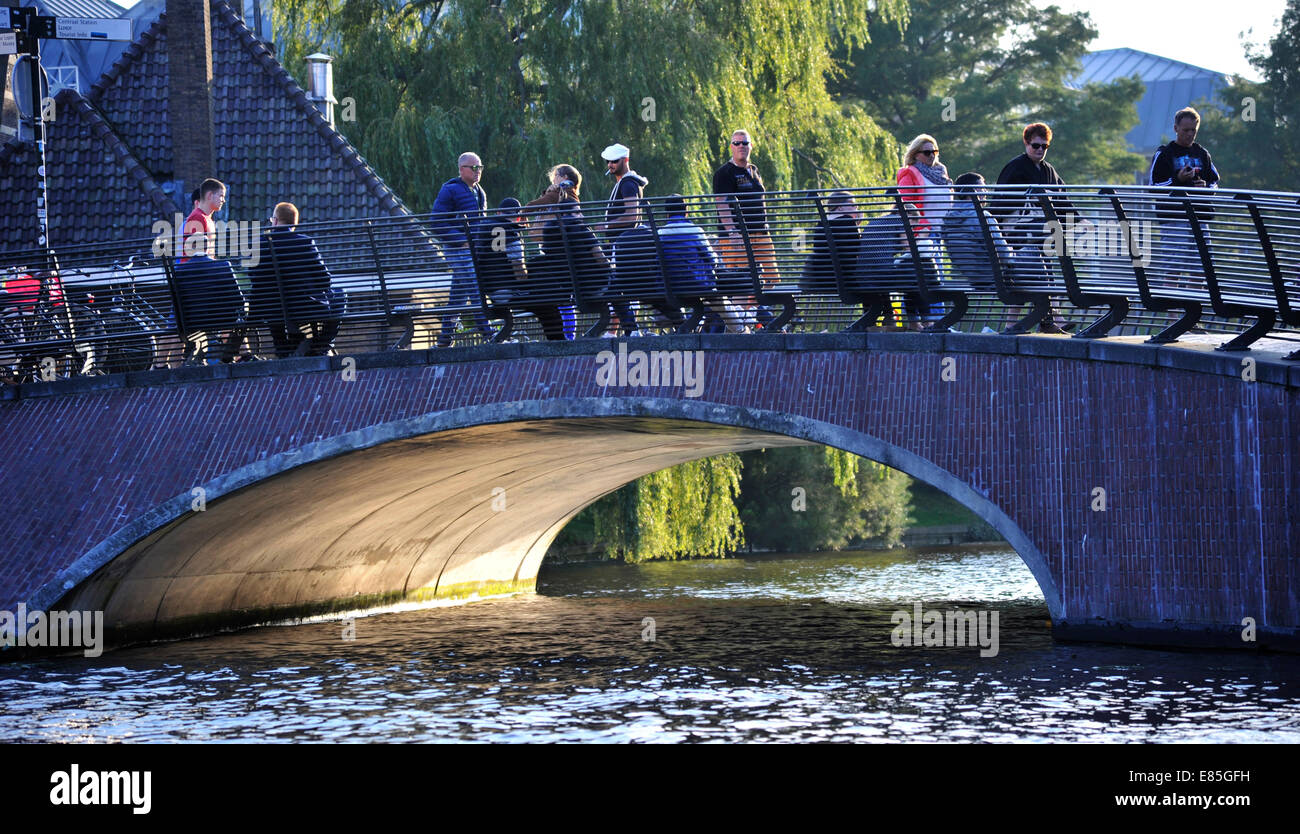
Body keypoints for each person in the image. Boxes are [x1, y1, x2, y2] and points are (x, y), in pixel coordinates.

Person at [993, 123, 1079, 333]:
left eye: (1044, 146)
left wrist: (1078, 219)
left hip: (1040, 235)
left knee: (1035, 273)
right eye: (1035, 145)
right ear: (1026, 143)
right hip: (1019, 235)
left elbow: (1062, 199)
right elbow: (1000, 203)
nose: (1040, 150)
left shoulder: (1048, 170)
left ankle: (1030, 322)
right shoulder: (1014, 167)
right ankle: (1052, 317)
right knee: (1034, 273)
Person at [248, 202, 343, 357]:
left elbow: (254, 279)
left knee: (269, 297)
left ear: (276, 220)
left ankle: (281, 346)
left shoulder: (257, 244)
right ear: (294, 224)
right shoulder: (305, 242)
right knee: (340, 295)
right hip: (305, 307)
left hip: (271, 309)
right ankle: (321, 345)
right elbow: (325, 280)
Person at [473, 197, 566, 340]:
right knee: (547, 302)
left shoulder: (484, 228)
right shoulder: (511, 234)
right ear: (518, 218)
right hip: (509, 294)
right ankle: (558, 342)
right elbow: (520, 275)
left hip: (491, 292)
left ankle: (557, 341)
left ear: (498, 213)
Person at [713, 129, 779, 327]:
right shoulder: (724, 173)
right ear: (731, 147)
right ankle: (739, 326)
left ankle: (750, 314)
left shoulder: (753, 170)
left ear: (751, 145)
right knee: (741, 282)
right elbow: (721, 203)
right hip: (738, 236)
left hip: (761, 234)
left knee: (771, 277)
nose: (741, 146)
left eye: (744, 142)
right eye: (736, 143)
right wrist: (733, 232)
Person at [1148, 106, 1221, 282]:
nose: (1189, 134)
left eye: (1193, 130)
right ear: (1176, 129)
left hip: (1199, 217)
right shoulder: (1165, 153)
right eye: (1185, 130)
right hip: (1174, 218)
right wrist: (1177, 180)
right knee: (1173, 271)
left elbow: (1214, 182)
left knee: (1200, 271)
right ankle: (1173, 310)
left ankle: (1192, 309)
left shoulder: (1202, 153)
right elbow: (1153, 185)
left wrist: (1205, 188)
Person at [658, 194, 746, 333]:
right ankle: (740, 331)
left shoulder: (660, 234)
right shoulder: (695, 231)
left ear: (667, 214)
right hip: (700, 286)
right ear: (686, 211)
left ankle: (690, 330)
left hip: (672, 288)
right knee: (720, 302)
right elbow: (713, 260)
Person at [430, 151, 492, 347]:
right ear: (461, 169)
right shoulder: (450, 190)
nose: (477, 171)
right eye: (474, 167)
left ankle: (444, 338)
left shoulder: (479, 191)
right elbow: (436, 221)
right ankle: (488, 334)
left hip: (471, 249)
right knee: (474, 288)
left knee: (458, 295)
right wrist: (461, 240)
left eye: (480, 167)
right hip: (458, 249)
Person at [943, 173, 1018, 323]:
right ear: (974, 191)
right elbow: (1004, 254)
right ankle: (1044, 320)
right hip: (992, 277)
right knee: (1034, 257)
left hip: (970, 278)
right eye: (982, 189)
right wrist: (1014, 255)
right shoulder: (983, 216)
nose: (985, 194)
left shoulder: (948, 219)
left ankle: (1015, 323)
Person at [896, 134, 953, 326]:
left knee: (935, 279)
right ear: (915, 154)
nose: (932, 156)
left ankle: (933, 322)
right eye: (927, 152)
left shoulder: (940, 172)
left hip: (938, 234)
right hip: (922, 234)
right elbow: (906, 207)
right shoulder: (910, 173)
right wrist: (922, 230)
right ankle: (933, 323)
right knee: (928, 280)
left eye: (934, 151)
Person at [172, 232, 245, 362]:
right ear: (207, 247)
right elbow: (239, 300)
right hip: (221, 321)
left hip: (190, 323)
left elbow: (176, 306)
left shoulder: (179, 271)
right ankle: (238, 356)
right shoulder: (223, 266)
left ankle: (174, 367)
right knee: (236, 319)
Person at [800, 190, 862, 295]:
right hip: (845, 281)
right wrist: (857, 226)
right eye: (852, 204)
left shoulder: (820, 225)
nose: (856, 208)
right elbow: (859, 252)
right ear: (840, 207)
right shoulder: (848, 221)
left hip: (823, 281)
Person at [182, 178, 225, 262]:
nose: (223, 200)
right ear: (209, 195)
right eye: (221, 196)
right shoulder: (198, 217)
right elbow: (195, 255)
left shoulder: (207, 219)